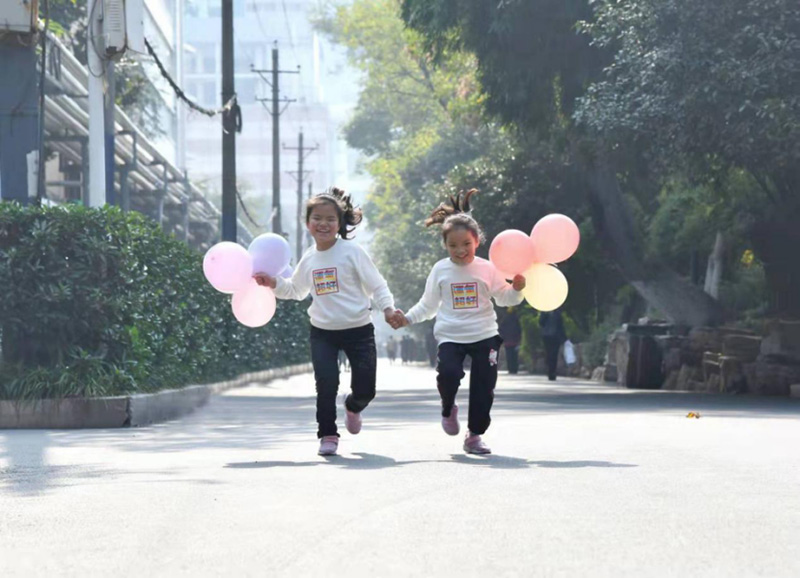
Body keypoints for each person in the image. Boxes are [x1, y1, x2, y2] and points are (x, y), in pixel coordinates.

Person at [255, 187, 402, 456]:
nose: (323, 224)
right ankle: (328, 434)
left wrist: (388, 309)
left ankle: (353, 407)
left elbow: (377, 285)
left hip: (359, 330)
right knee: (326, 382)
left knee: (366, 389)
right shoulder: (309, 258)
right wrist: (273, 282)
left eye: (330, 219)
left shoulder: (352, 252)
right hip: (323, 332)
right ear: (308, 223)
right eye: (317, 218)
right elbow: (295, 290)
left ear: (339, 223)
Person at [394, 189, 526, 454]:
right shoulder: (440, 269)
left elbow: (505, 298)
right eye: (453, 246)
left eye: (466, 244)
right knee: (448, 375)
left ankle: (474, 435)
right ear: (445, 246)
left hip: (485, 334)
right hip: (451, 336)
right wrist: (407, 318)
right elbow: (429, 305)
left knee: (484, 387)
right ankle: (448, 408)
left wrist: (518, 288)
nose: (460, 250)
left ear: (476, 241)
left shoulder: (488, 268)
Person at [539, 308, 567, 381]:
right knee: (549, 354)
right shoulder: (544, 311)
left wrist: (564, 337)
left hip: (555, 336)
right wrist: (545, 314)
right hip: (547, 336)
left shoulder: (557, 312)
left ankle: (553, 372)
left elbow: (561, 326)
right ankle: (549, 371)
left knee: (554, 354)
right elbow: (541, 322)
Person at [498, 307, 522, 374]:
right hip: (515, 340)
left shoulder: (505, 319)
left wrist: (502, 337)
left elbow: (500, 329)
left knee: (509, 355)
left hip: (507, 340)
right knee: (515, 355)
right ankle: (515, 369)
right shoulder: (516, 319)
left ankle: (510, 368)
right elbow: (519, 330)